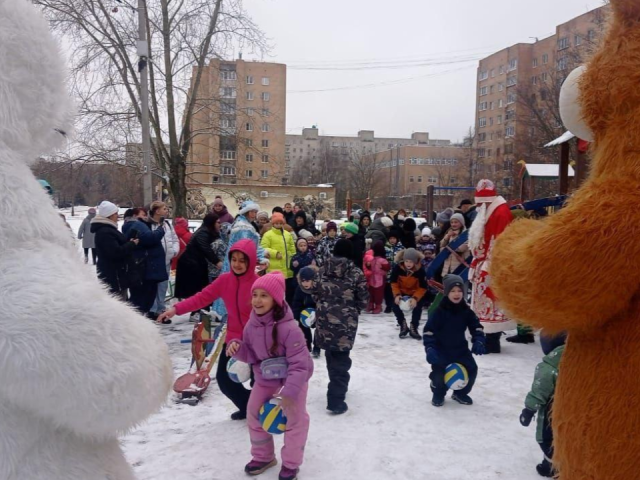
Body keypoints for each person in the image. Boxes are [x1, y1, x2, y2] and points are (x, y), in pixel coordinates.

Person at [159, 239, 258, 420]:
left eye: (242, 260)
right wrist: (176, 309)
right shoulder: (225, 280)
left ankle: (263, 410)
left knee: (259, 381)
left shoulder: (258, 284)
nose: (237, 264)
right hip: (234, 341)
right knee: (225, 381)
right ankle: (248, 407)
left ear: (250, 261)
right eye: (234, 259)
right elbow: (202, 298)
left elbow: (274, 310)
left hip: (257, 340)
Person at [227, 272, 313, 480]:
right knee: (253, 413)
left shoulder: (290, 328)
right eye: (255, 294)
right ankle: (264, 456)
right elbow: (251, 354)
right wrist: (237, 349)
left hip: (293, 379)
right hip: (267, 377)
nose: (257, 300)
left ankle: (291, 464)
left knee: (295, 419)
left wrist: (289, 394)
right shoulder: (251, 325)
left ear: (276, 299)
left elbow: (300, 365)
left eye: (264, 295)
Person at [312, 239, 368, 414]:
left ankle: (336, 385)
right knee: (341, 359)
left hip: (324, 320)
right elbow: (364, 299)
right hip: (346, 322)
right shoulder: (356, 273)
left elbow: (314, 293)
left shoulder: (321, 269)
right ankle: (336, 400)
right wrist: (352, 310)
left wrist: (324, 307)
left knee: (331, 354)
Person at [423, 275, 486, 407]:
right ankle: (438, 393)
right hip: (441, 350)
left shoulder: (466, 310)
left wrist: (479, 340)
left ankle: (460, 393)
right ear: (446, 293)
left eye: (459, 290)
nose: (457, 294)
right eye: (452, 291)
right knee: (440, 376)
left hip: (460, 350)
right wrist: (430, 348)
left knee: (472, 369)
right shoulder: (439, 311)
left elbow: (476, 327)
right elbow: (428, 331)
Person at [468, 179, 515, 353]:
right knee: (485, 304)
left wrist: (488, 265)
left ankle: (491, 342)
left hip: (492, 265)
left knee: (492, 303)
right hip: (484, 262)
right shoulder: (489, 209)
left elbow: (499, 241)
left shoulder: (500, 213)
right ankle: (486, 339)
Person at [520, 341, 566, 478]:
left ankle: (553, 467)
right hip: (581, 408)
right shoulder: (585, 357)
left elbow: (539, 391)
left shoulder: (549, 367)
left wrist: (529, 410)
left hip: (555, 409)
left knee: (548, 438)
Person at [91, 201, 139, 299]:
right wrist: (131, 244)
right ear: (110, 215)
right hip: (113, 277)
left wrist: (128, 240)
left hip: (116, 275)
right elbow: (115, 252)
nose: (118, 216)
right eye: (116, 213)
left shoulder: (108, 229)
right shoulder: (105, 232)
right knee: (118, 304)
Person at [125, 208, 167, 316]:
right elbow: (150, 238)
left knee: (147, 297)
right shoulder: (137, 225)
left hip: (149, 268)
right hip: (143, 269)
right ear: (136, 216)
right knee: (140, 299)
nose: (146, 216)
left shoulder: (142, 225)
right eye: (143, 214)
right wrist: (160, 230)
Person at [174, 213, 222, 300]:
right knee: (196, 291)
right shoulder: (203, 233)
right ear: (212, 223)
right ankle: (196, 311)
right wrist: (217, 262)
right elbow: (206, 248)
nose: (220, 225)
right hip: (190, 264)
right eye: (218, 222)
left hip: (195, 263)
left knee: (199, 289)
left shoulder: (209, 231)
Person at [148, 201, 179, 320]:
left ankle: (160, 310)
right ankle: (153, 309)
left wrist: (174, 251)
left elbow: (174, 239)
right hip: (155, 261)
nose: (167, 210)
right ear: (157, 211)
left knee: (163, 287)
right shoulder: (150, 224)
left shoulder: (167, 224)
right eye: (164, 208)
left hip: (167, 260)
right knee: (153, 286)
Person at [390, 248, 429, 339]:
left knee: (418, 307)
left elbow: (423, 287)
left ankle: (414, 327)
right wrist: (397, 295)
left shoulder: (420, 271)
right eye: (406, 261)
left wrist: (415, 298)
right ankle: (403, 325)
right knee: (395, 305)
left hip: (414, 293)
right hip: (401, 292)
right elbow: (394, 283)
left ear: (415, 262)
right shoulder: (397, 268)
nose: (408, 264)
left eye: (411, 262)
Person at [261, 212, 297, 301]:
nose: (278, 225)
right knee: (275, 293)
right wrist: (275, 253)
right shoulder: (268, 235)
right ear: (273, 223)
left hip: (288, 269)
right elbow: (263, 248)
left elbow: (292, 248)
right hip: (274, 269)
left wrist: (294, 258)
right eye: (277, 223)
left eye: (280, 223)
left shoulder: (287, 234)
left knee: (288, 293)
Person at [291, 266, 319, 355]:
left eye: (307, 281)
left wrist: (318, 313)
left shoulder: (318, 289)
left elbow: (322, 302)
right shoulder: (299, 289)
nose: (305, 283)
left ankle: (317, 347)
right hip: (304, 313)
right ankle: (307, 344)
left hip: (317, 313)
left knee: (319, 329)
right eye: (303, 281)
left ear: (313, 280)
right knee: (303, 329)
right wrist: (297, 315)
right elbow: (296, 302)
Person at [363, 240, 390, 314]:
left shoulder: (376, 260)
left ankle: (377, 306)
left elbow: (387, 267)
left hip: (378, 278)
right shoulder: (381, 260)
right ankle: (373, 304)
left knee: (376, 293)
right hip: (375, 278)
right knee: (374, 292)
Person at [384, 229, 405, 314]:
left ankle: (396, 304)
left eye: (394, 238)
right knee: (388, 289)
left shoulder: (401, 248)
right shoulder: (385, 248)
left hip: (398, 272)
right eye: (390, 238)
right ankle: (388, 305)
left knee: (397, 289)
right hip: (388, 272)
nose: (392, 240)